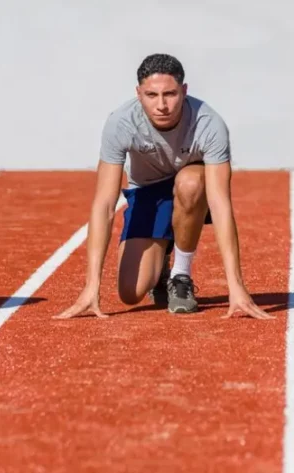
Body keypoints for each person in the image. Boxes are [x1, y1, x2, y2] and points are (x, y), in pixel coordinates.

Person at [54, 53, 271, 319]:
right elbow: (104, 205)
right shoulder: (120, 123)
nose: (162, 105)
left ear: (184, 91)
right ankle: (163, 259)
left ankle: (181, 276)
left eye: (170, 94)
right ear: (138, 93)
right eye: (151, 95)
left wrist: (236, 288)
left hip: (194, 187)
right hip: (148, 191)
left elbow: (220, 204)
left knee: (189, 183)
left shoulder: (209, 123)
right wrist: (91, 288)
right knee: (130, 293)